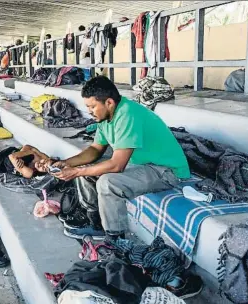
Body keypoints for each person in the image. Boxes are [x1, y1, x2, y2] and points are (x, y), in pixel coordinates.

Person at [41, 76, 190, 241]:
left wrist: (76, 171)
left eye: (92, 106)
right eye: (87, 106)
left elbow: (117, 165)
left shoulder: (128, 114)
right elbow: (95, 149)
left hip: (166, 171)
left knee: (108, 183)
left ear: (109, 103)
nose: (89, 111)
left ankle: (116, 239)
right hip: (140, 164)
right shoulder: (105, 117)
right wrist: (66, 163)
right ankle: (94, 221)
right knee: (88, 167)